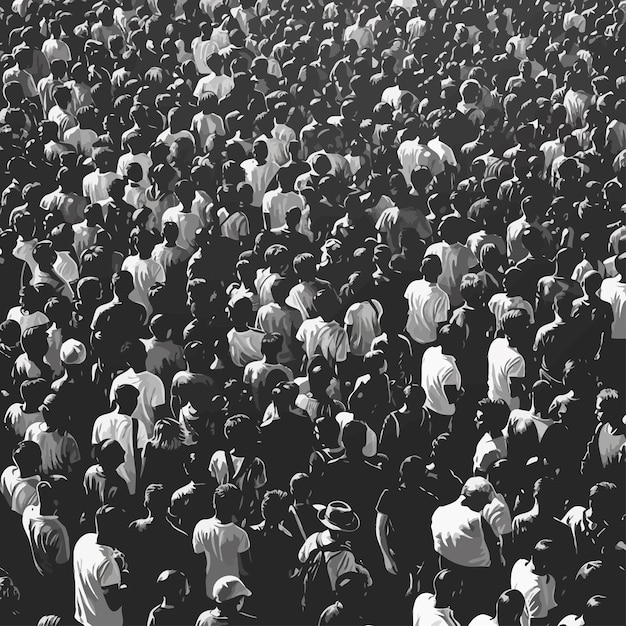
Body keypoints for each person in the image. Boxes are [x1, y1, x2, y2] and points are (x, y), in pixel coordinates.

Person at [192, 484, 251, 600]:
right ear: (237, 507)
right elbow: (245, 570)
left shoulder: (201, 527)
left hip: (208, 590)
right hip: (233, 593)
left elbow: (198, 562)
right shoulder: (240, 534)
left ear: (214, 503)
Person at [73, 505, 128, 626]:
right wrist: (126, 576)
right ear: (115, 530)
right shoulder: (107, 563)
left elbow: (94, 573)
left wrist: (115, 561)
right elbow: (114, 603)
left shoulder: (84, 541)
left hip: (83, 618)